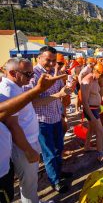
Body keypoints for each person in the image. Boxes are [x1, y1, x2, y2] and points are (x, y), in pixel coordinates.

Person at [0, 71, 66, 203]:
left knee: (29, 185)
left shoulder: (17, 87)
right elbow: (12, 123)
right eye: (28, 73)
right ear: (13, 72)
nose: (32, 77)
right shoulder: (7, 90)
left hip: (16, 151)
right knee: (28, 185)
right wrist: (28, 150)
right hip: (24, 145)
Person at [24, 46, 73, 193]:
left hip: (56, 117)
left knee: (59, 148)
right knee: (49, 153)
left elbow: (61, 93)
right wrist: (59, 95)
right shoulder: (32, 75)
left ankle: (57, 172)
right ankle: (54, 180)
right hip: (42, 121)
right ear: (38, 58)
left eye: (54, 61)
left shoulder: (54, 72)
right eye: (48, 60)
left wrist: (66, 91)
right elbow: (33, 102)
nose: (52, 64)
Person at [81, 63, 103, 163]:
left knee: (91, 129)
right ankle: (100, 155)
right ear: (95, 71)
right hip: (90, 109)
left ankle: (86, 146)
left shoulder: (96, 80)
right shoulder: (87, 80)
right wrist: (91, 116)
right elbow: (84, 102)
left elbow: (100, 94)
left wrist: (102, 83)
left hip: (95, 109)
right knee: (100, 132)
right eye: (102, 75)